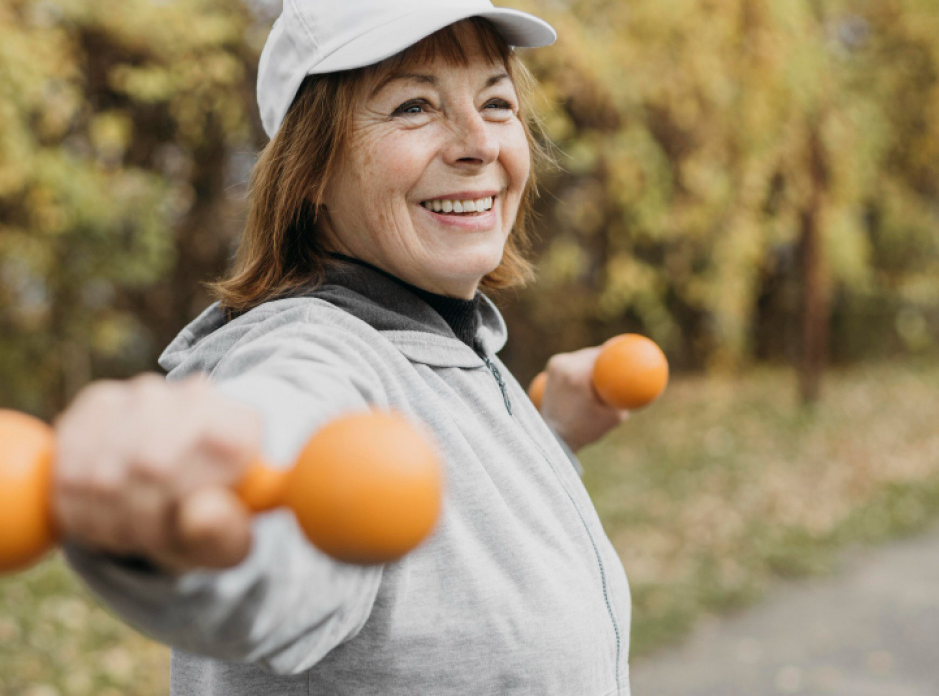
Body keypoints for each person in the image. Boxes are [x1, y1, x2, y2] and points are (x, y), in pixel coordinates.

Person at [57, 1, 635, 693]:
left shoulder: (445, 340)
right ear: (310, 171)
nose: (479, 143)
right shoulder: (310, 354)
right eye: (414, 107)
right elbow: (286, 486)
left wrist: (550, 439)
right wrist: (194, 525)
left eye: (496, 102)